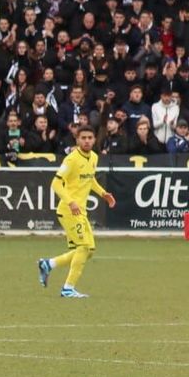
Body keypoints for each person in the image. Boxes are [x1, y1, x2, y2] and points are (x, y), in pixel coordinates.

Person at [37, 124, 117, 299]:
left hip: (80, 211)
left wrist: (104, 194)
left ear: (94, 139)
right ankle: (67, 289)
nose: (87, 141)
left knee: (88, 251)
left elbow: (90, 180)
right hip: (69, 210)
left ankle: (48, 264)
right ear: (77, 139)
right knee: (85, 247)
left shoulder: (94, 157)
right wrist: (71, 201)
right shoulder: (71, 159)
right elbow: (56, 183)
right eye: (83, 138)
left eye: (90, 138)